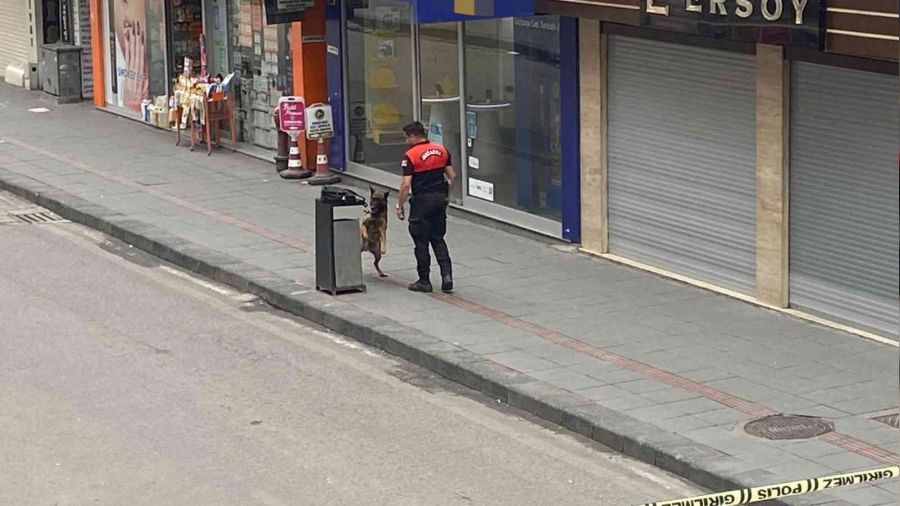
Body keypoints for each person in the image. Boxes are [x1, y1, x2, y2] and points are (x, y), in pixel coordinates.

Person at [395, 122, 455, 293]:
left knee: (421, 242)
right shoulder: (441, 149)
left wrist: (400, 205)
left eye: (406, 137)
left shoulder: (410, 156)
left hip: (421, 202)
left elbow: (406, 185)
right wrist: (447, 196)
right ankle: (447, 276)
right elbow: (452, 175)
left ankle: (424, 281)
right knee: (438, 238)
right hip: (439, 199)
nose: (406, 140)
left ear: (413, 136)